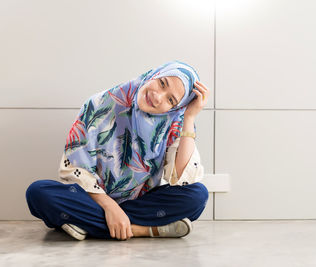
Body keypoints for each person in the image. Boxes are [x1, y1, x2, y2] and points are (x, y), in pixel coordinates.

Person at [25, 60, 210, 241]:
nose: (158, 96)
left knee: (197, 195)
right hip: (91, 198)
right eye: (162, 83)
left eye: (171, 100)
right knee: (38, 193)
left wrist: (189, 117)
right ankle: (144, 229)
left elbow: (180, 178)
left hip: (138, 203)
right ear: (155, 74)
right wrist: (110, 207)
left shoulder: (173, 124)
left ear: (176, 107)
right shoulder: (99, 104)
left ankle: (91, 225)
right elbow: (75, 169)